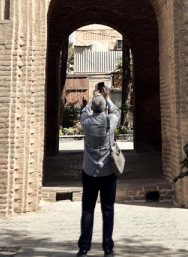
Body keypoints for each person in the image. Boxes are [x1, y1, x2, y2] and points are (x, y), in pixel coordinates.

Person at [77, 83, 120, 255]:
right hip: (108, 172)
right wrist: (107, 98)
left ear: (93, 108)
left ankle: (84, 248)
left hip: (89, 172)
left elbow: (84, 112)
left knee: (88, 209)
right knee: (107, 209)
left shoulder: (86, 122)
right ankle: (108, 248)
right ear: (103, 108)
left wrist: (93, 99)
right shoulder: (110, 121)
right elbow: (116, 112)